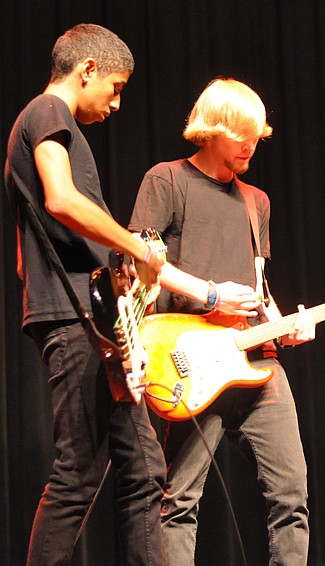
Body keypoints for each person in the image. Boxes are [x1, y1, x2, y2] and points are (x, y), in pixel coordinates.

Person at [128, 78, 315, 565]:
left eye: (257, 136)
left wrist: (282, 324)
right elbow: (139, 264)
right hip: (193, 361)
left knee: (291, 498)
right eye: (241, 136)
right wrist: (209, 294)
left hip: (258, 359)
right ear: (211, 130)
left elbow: (259, 285)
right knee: (179, 501)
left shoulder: (258, 201)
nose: (251, 145)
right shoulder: (166, 180)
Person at [3, 24, 167, 565]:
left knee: (144, 469)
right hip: (74, 319)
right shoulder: (48, 113)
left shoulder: (46, 123)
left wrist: (121, 277)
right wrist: (136, 248)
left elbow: (47, 247)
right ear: (88, 69)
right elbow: (62, 201)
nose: (116, 104)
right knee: (77, 475)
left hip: (92, 321)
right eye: (115, 87)